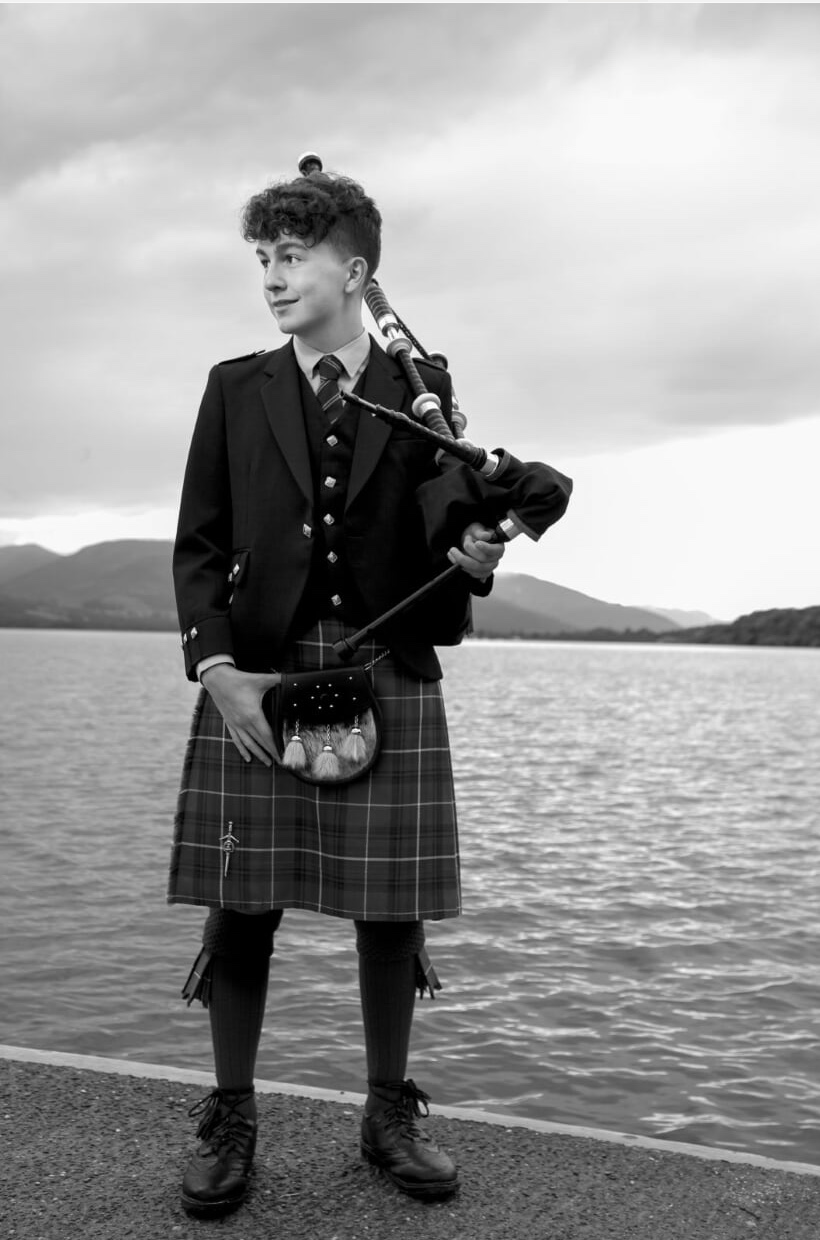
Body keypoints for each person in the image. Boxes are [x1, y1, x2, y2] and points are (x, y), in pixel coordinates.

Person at [168, 166, 570, 1218]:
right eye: (261, 259)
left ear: (356, 269)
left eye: (292, 257)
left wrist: (481, 542)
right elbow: (200, 544)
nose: (271, 277)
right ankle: (231, 1112)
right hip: (259, 665)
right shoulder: (233, 387)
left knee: (388, 916)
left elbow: (451, 523)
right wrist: (216, 672)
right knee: (241, 906)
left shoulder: (416, 386)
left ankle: (386, 1112)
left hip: (385, 657)